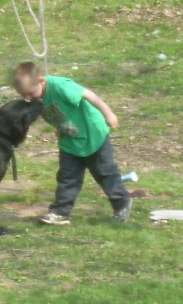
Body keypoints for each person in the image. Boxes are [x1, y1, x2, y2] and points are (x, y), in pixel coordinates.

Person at [12, 61, 132, 225]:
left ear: (41, 81)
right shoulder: (36, 97)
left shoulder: (61, 86)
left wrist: (108, 114)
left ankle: (122, 203)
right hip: (70, 140)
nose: (28, 98)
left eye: (31, 94)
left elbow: (89, 95)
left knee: (105, 172)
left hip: (93, 135)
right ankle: (60, 212)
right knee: (67, 177)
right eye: (23, 96)